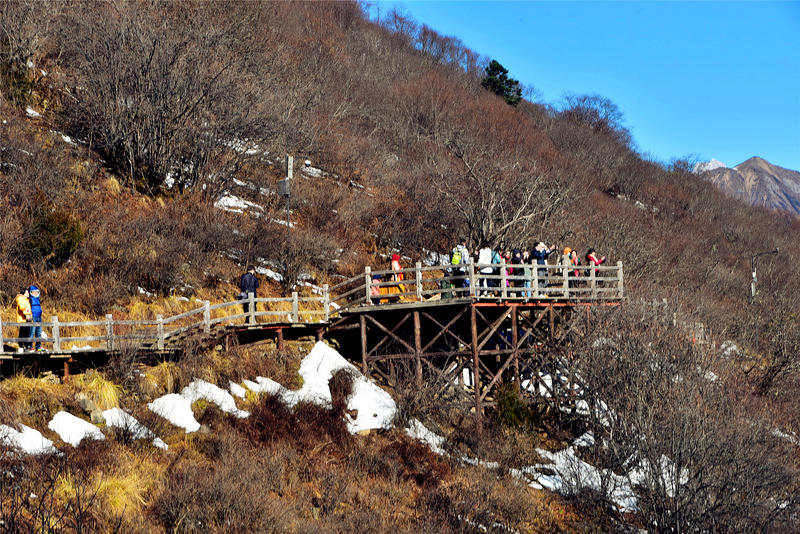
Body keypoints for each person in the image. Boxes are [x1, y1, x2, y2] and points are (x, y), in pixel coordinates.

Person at [28, 285, 43, 351]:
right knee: (32, 332)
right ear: (31, 292)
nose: (36, 293)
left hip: (39, 317)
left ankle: (38, 346)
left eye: (37, 292)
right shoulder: (30, 299)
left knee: (39, 332)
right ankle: (30, 346)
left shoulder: (38, 299)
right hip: (33, 317)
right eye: (34, 292)